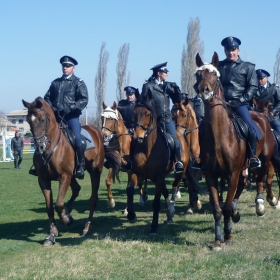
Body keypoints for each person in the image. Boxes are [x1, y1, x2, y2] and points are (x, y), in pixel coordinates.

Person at [29, 55, 88, 179]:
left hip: (71, 117)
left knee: (77, 138)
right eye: (64, 66)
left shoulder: (79, 83)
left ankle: (81, 165)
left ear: (74, 68)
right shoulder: (55, 83)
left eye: (68, 66)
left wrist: (69, 107)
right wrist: (51, 108)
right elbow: (47, 99)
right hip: (55, 117)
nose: (65, 68)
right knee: (41, 136)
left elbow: (83, 100)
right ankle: (37, 166)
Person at [218, 36, 261, 169]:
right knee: (202, 126)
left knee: (251, 128)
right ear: (225, 51)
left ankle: (253, 157)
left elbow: (253, 87)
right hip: (221, 105)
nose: (230, 52)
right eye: (228, 50)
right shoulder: (219, 66)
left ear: (238, 50)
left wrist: (241, 100)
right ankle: (201, 159)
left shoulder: (247, 67)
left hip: (239, 105)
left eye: (233, 49)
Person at [141, 62, 184, 173]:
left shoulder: (167, 85)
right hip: (153, 120)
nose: (167, 74)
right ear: (159, 73)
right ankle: (133, 162)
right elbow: (143, 100)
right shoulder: (148, 86)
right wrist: (153, 111)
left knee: (175, 141)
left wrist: (177, 92)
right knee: (138, 140)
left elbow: (177, 101)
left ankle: (178, 162)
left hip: (166, 118)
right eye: (165, 72)